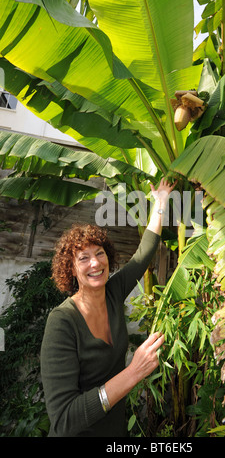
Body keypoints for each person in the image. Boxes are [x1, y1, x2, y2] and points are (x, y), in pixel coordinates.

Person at [40, 178, 176, 437]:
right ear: (71, 270)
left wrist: (160, 203)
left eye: (99, 253)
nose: (95, 263)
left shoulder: (112, 292)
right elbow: (64, 420)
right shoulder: (62, 322)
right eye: (84, 258)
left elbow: (143, 253)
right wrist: (133, 373)